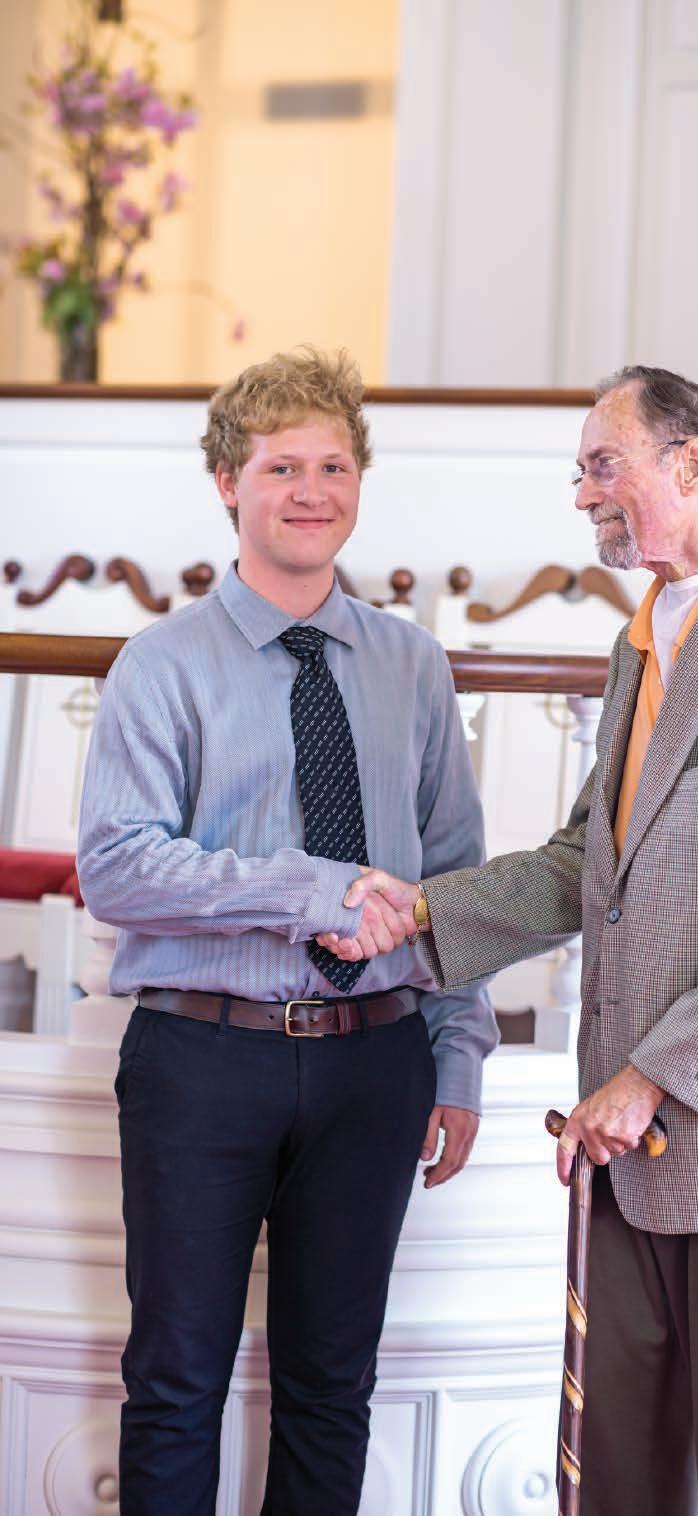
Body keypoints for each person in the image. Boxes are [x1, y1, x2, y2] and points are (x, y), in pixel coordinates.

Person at [326, 366, 698, 1516]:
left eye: (600, 465)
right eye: (580, 472)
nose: (582, 494)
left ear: (690, 462)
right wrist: (424, 909)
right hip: (632, 1138)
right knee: (630, 1473)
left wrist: (652, 1077)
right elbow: (590, 861)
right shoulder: (643, 639)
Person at [76, 346, 497, 1516]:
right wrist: (314, 891)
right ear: (228, 482)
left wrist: (456, 1053)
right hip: (203, 1057)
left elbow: (455, 875)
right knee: (175, 1383)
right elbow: (116, 866)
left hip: (376, 1061)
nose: (311, 490)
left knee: (331, 1388)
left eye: (333, 466)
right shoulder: (161, 664)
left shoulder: (411, 666)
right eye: (281, 467)